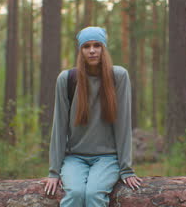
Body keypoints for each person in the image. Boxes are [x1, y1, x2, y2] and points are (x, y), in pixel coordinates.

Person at [44, 26, 142, 207]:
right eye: (86, 46)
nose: (92, 50)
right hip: (74, 157)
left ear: (104, 49)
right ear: (80, 51)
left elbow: (123, 125)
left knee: (94, 195)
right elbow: (59, 127)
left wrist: (126, 169)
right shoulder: (66, 79)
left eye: (97, 45)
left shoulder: (118, 76)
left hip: (107, 158)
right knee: (75, 194)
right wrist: (53, 172)